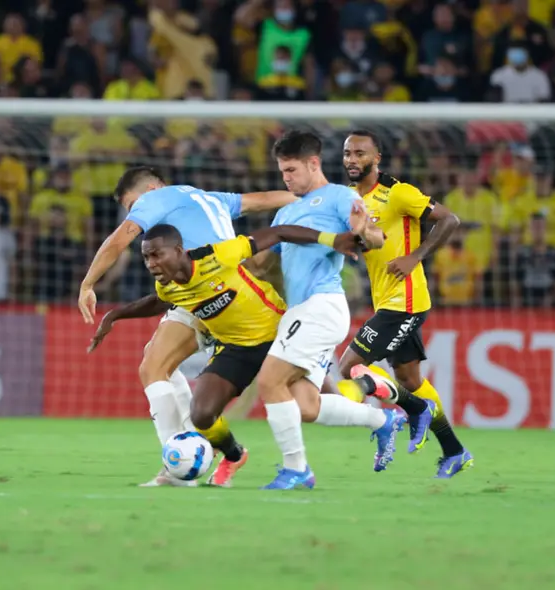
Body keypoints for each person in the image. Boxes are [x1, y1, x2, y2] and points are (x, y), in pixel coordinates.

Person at [89, 221, 405, 487]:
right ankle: (234, 454)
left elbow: (278, 233)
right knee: (201, 415)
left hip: (278, 339)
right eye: (146, 258)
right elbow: (158, 302)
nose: (151, 264)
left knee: (315, 408)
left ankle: (368, 387)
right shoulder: (168, 285)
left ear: (179, 250)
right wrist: (115, 315)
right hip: (235, 349)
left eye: (157, 255)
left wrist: (331, 240)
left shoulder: (219, 256)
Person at [77, 167, 297, 486]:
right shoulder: (207, 197)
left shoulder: (157, 198)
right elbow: (262, 200)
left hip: (204, 291)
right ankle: (191, 452)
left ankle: (179, 466)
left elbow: (120, 237)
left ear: (151, 189)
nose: (136, 216)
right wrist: (314, 196)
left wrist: (88, 283)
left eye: (133, 205)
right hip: (229, 291)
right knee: (155, 363)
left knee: (154, 368)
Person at [250, 131, 385, 490]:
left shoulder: (340, 196)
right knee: (307, 406)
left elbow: (372, 236)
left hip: (321, 306)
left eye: (292, 170)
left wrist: (361, 233)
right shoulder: (286, 211)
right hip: (300, 312)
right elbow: (263, 265)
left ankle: (297, 470)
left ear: (313, 163)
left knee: (269, 381)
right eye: (282, 172)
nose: (286, 178)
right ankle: (381, 421)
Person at [336, 130, 474, 479]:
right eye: (348, 153)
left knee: (349, 366)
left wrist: (416, 256)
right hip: (386, 298)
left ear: (376, 158)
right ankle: (455, 451)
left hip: (406, 301)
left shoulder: (398, 193)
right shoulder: (350, 199)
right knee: (409, 377)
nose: (352, 159)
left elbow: (450, 219)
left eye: (360, 153)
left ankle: (412, 411)